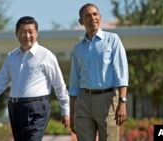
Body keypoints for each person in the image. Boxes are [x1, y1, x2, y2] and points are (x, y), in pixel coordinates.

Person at [0, 16, 70, 141]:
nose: (27, 35)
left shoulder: (46, 55)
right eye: (23, 31)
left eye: (30, 31)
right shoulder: (11, 57)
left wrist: (65, 110)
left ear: (36, 33)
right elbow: (1, 81)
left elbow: (59, 85)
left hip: (38, 108)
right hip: (15, 107)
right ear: (16, 33)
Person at [69, 3, 129, 141]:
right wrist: (72, 112)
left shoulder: (113, 40)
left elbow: (122, 73)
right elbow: (73, 84)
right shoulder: (78, 48)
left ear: (100, 17)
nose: (92, 18)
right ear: (81, 21)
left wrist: (122, 102)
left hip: (107, 100)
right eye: (88, 16)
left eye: (95, 14)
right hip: (83, 101)